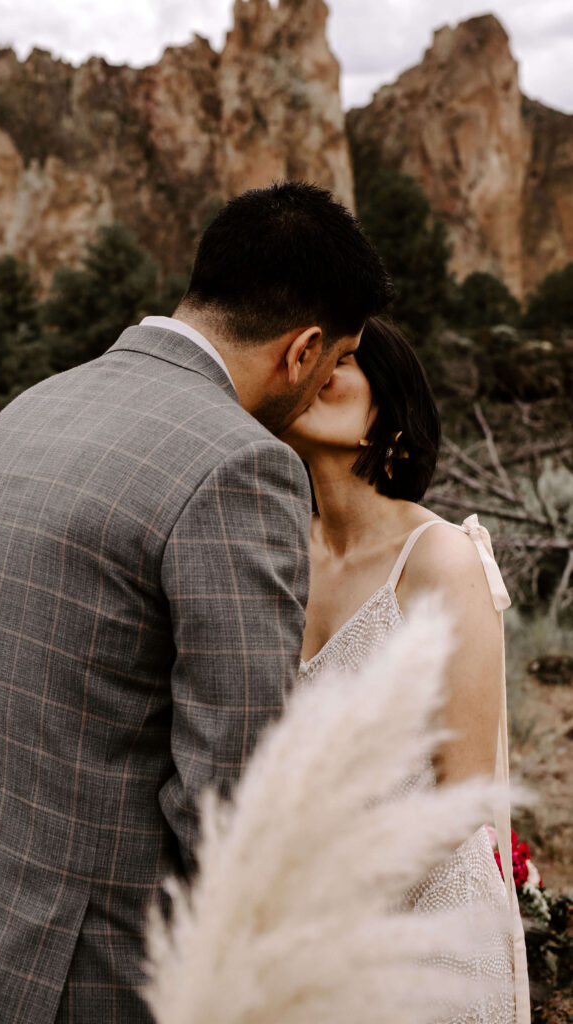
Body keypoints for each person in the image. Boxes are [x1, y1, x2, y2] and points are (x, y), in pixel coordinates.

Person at [0, 182, 393, 1024]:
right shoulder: (239, 466)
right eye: (339, 359)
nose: (325, 388)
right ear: (301, 349)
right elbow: (231, 803)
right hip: (86, 980)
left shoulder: (25, 413)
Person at [282, 316, 529, 1023]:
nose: (318, 368)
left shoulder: (438, 558)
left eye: (346, 359)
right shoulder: (277, 556)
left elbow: (465, 795)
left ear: (388, 409)